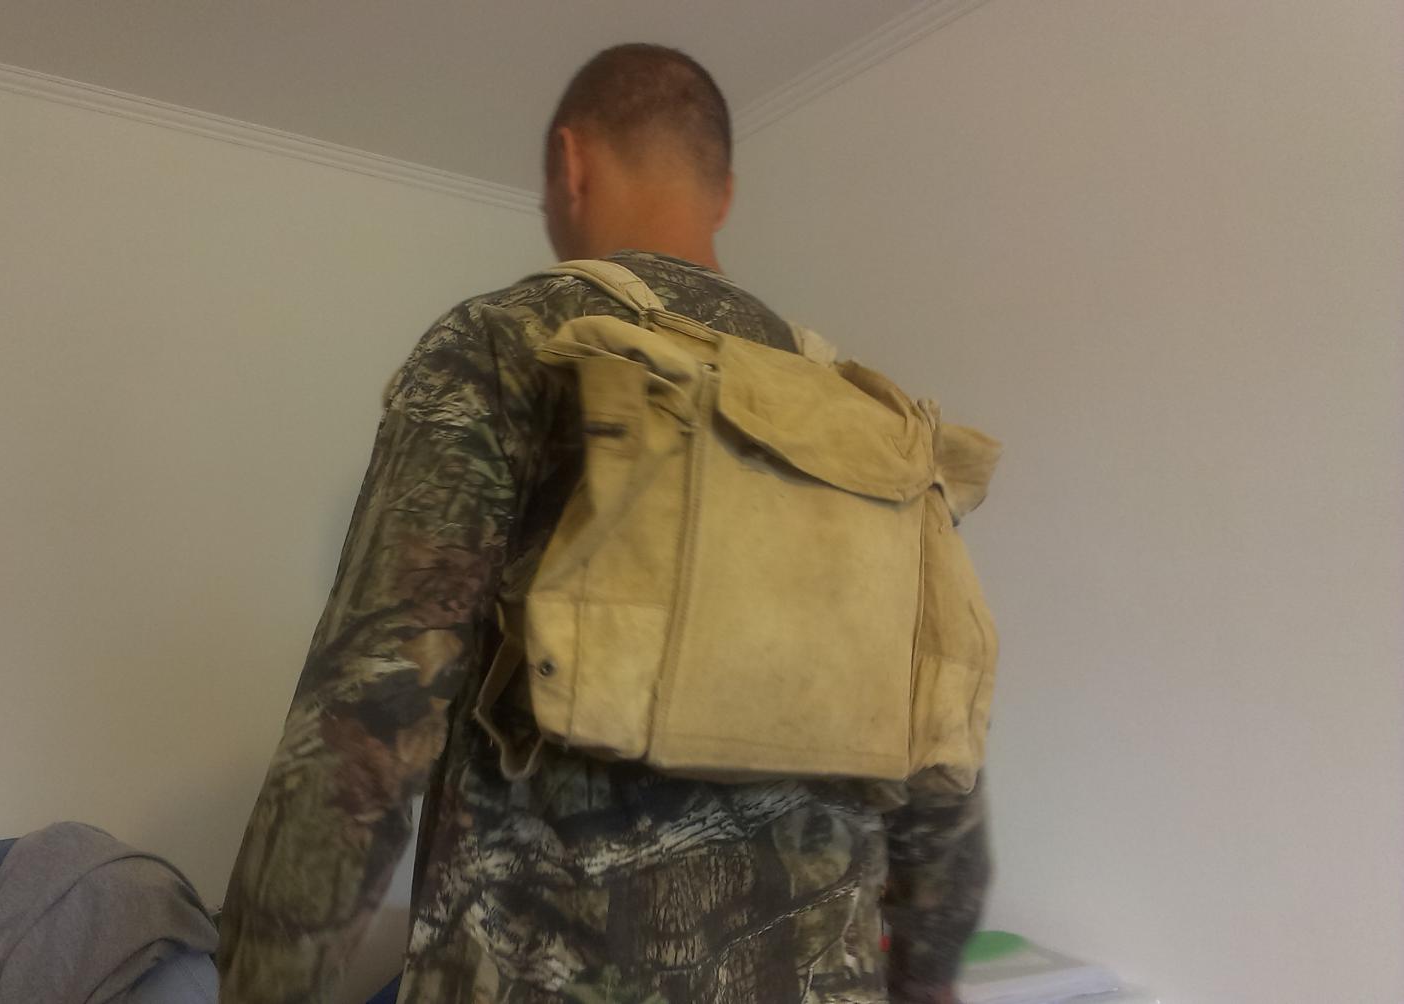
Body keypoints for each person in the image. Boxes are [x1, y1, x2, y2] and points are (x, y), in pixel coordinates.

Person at [218, 43, 990, 1004]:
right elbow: (944, 767)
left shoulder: (505, 346)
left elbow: (367, 720)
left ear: (570, 164)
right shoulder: (866, 422)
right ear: (724, 193)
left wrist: (263, 983)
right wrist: (926, 978)